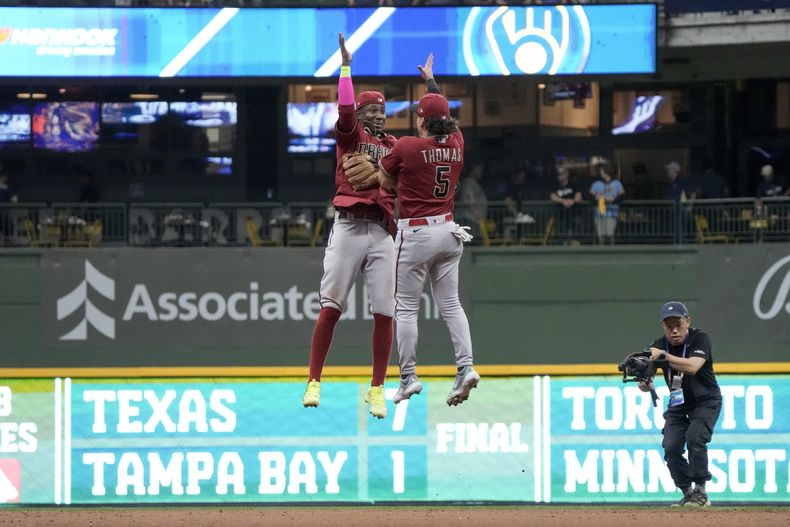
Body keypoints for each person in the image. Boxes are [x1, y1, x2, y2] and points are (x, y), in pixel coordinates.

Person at [302, 33, 439, 419]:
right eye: (371, 110)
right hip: (347, 226)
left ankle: (377, 388)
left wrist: (385, 179)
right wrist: (345, 67)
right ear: (360, 116)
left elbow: (410, 168)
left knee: (385, 312)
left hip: (381, 231)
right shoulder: (351, 136)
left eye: (382, 110)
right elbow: (345, 108)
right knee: (331, 307)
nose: (378, 115)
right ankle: (314, 379)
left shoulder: (395, 145)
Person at [378, 88, 480, 407]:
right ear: (447, 121)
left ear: (421, 121)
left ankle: (408, 377)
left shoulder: (407, 146)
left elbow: (383, 181)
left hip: (417, 233)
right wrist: (433, 85)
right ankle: (466, 367)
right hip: (449, 231)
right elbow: (446, 119)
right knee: (451, 304)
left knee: (406, 308)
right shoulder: (457, 144)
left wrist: (407, 182)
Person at [640, 301, 722, 507]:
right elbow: (645, 378)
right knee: (671, 446)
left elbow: (693, 367)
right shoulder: (659, 344)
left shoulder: (699, 338)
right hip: (678, 404)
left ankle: (701, 492)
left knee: (695, 439)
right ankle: (688, 492)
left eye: (678, 324)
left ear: (688, 321)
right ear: (663, 326)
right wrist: (645, 381)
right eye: (669, 326)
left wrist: (664, 356)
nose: (674, 330)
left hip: (706, 400)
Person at [589, 162, 624, 245]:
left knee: (610, 233)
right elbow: (591, 195)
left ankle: (612, 251)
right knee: (600, 235)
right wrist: (597, 198)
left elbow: (622, 195)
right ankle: (601, 251)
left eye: (602, 171)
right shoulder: (597, 183)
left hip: (612, 212)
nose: (600, 172)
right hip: (599, 212)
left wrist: (611, 199)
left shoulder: (616, 183)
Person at [549, 166, 582, 244]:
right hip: (561, 215)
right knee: (562, 237)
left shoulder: (573, 183)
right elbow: (553, 197)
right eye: (558, 174)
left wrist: (572, 201)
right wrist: (563, 201)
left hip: (574, 214)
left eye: (561, 174)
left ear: (567, 174)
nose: (559, 176)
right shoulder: (555, 184)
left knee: (574, 236)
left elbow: (579, 196)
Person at [455, 162, 488, 241]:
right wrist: (476, 213)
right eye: (478, 170)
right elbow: (468, 201)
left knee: (475, 238)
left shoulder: (474, 182)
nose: (480, 172)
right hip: (468, 218)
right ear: (472, 171)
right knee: (471, 240)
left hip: (474, 219)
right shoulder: (468, 182)